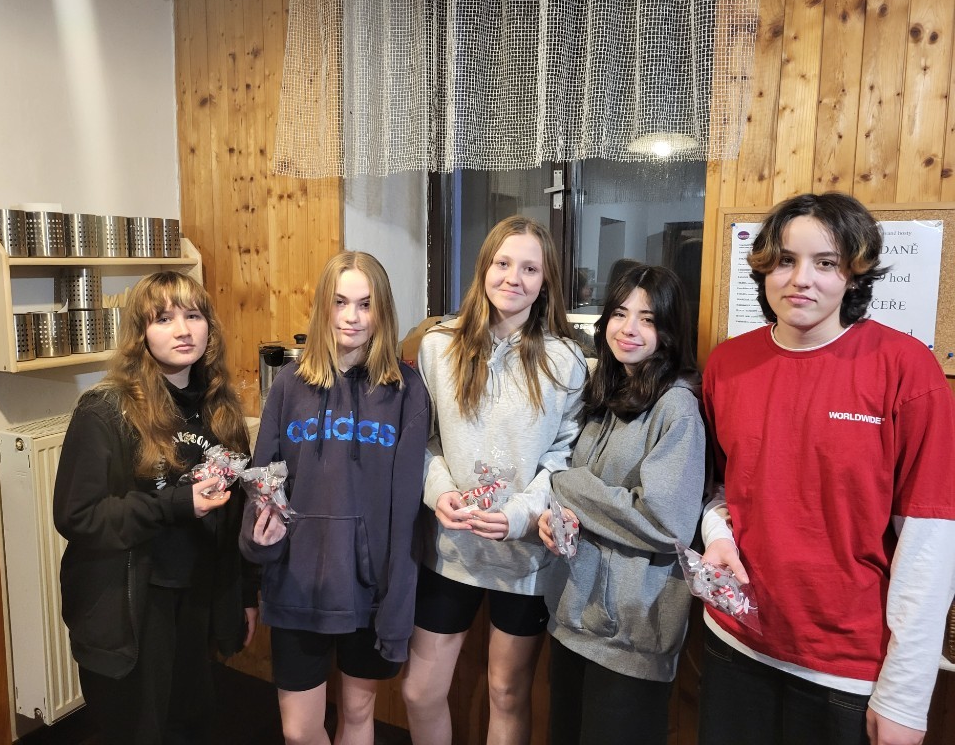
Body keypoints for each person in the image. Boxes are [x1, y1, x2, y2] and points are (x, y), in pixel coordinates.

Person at [699, 193, 955, 745]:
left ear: (854, 274)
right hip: (735, 638)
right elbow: (721, 489)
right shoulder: (727, 364)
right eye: (785, 260)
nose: (801, 279)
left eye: (826, 262)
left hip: (847, 667)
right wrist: (718, 536)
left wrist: (906, 696)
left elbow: (930, 537)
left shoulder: (905, 368)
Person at [401, 215, 588, 745]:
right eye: (503, 263)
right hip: (450, 548)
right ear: (484, 267)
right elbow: (422, 441)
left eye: (530, 268)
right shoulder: (438, 347)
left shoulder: (567, 361)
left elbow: (564, 458)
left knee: (507, 692)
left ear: (546, 280)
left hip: (524, 557)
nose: (514, 278)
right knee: (419, 691)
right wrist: (439, 492)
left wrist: (519, 515)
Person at [53, 271, 256, 745]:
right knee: (138, 731)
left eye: (193, 316)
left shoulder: (220, 408)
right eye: (163, 319)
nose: (183, 330)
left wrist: (245, 594)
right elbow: (78, 516)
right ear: (140, 333)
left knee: (191, 727)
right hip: (133, 607)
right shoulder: (105, 410)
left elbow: (234, 514)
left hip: (197, 599)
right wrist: (176, 504)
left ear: (209, 327)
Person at [241, 251, 429, 745]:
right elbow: (263, 482)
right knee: (299, 730)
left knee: (358, 714)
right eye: (341, 302)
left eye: (365, 304)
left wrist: (397, 605)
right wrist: (257, 539)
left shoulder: (406, 390)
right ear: (324, 306)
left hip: (369, 590)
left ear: (382, 311)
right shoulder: (289, 385)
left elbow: (407, 511)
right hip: (297, 584)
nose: (352, 317)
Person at [538, 264, 707, 745]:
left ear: (669, 331)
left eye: (648, 319)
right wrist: (555, 517)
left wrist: (565, 486)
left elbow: (664, 521)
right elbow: (590, 503)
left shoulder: (677, 408)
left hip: (632, 633)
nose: (629, 328)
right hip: (573, 616)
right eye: (619, 313)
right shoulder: (605, 392)